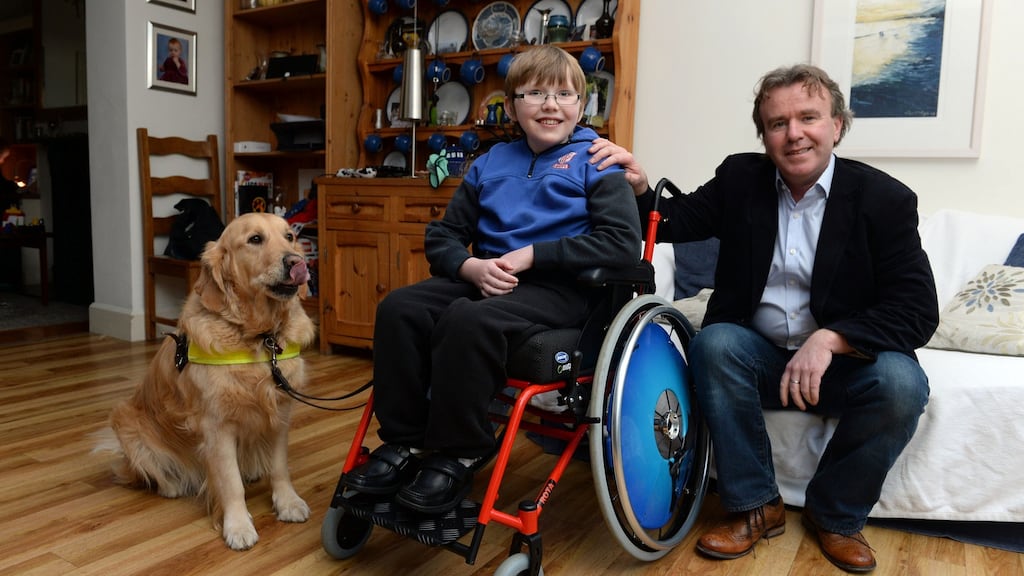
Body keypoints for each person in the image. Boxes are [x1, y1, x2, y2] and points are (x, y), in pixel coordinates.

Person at [589, 64, 938, 573]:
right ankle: (757, 506)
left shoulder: (885, 200)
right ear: (764, 135)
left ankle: (835, 516)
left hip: (842, 365)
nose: (794, 134)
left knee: (903, 384)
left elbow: (918, 311)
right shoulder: (740, 179)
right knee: (714, 343)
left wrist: (830, 340)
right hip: (760, 358)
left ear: (837, 125)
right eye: (778, 123)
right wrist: (641, 187)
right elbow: (673, 223)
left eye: (808, 118)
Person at [343, 45, 642, 514]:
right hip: (488, 276)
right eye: (535, 93)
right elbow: (444, 235)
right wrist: (470, 267)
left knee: (467, 319)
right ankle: (406, 441)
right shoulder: (490, 162)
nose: (550, 105)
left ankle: (461, 451)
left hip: (563, 289)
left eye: (564, 94)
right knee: (399, 308)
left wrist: (533, 255)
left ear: (581, 105)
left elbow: (621, 243)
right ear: (513, 105)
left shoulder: (598, 161)